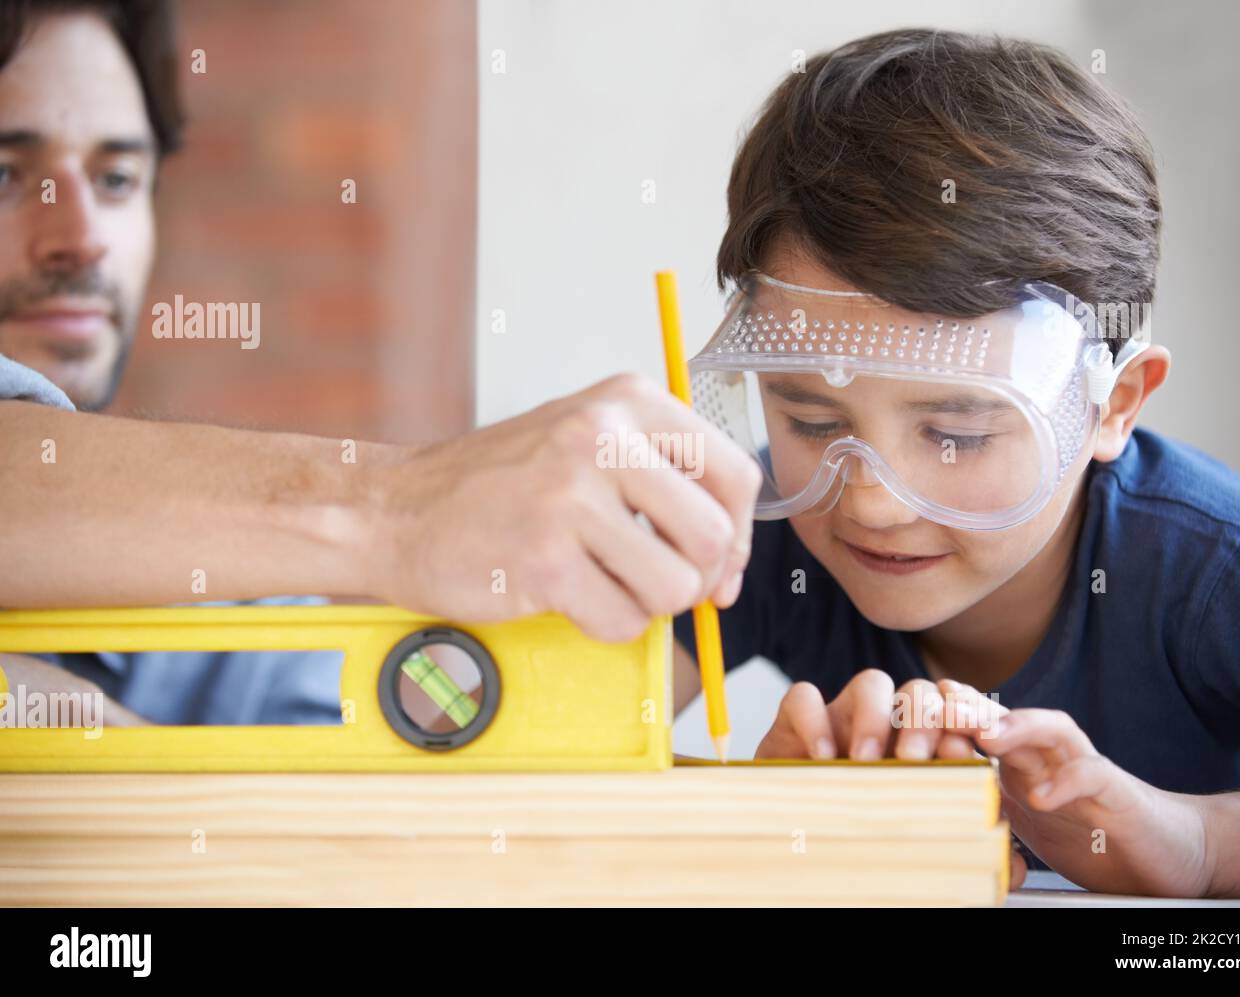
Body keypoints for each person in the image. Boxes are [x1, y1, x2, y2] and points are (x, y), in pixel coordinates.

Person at [0, 0, 759, 723]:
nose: (82, 235)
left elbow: (363, 807)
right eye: (6, 174)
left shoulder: (229, 619)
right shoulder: (340, 535)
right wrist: (403, 507)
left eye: (116, 179)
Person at [671, 28, 1240, 898]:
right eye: (812, 417)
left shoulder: (1224, 571)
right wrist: (755, 818)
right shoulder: (752, 532)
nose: (870, 502)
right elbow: (543, 745)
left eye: (957, 433)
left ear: (1113, 404)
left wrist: (1198, 846)